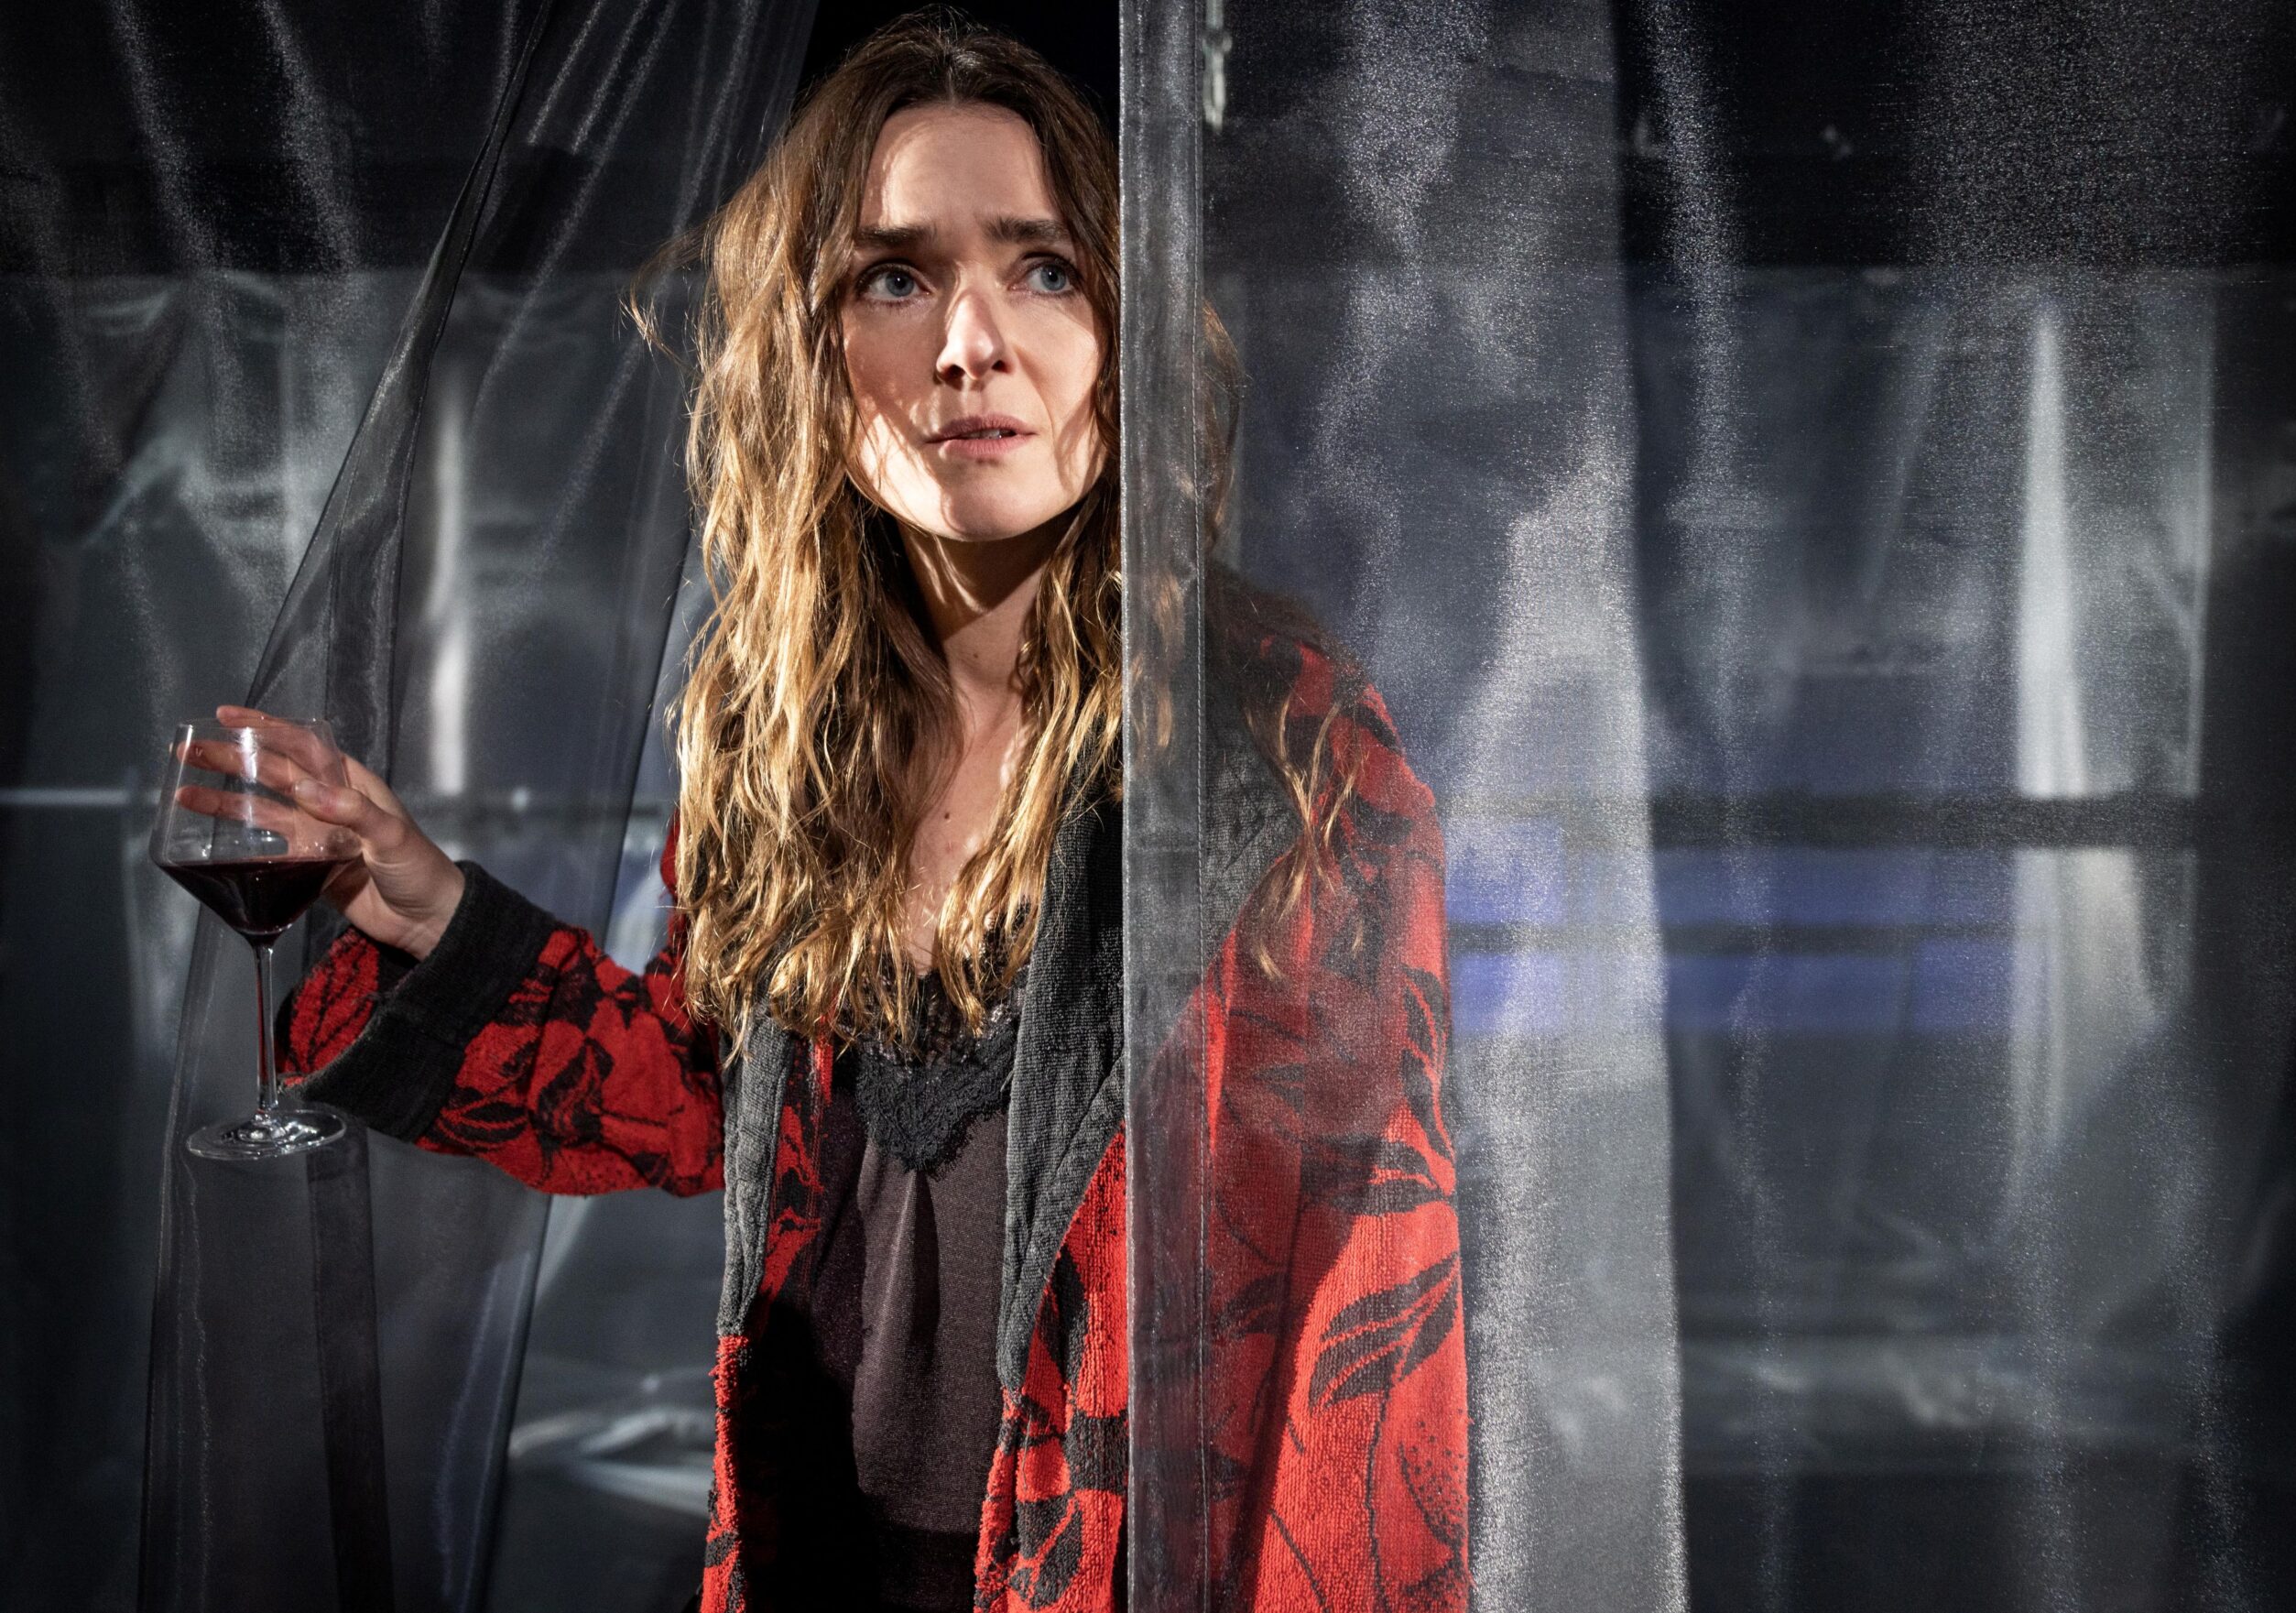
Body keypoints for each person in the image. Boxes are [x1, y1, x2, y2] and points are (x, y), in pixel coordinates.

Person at [238, 12, 1466, 1611]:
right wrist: (436, 914)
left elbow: (1367, 1309)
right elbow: (708, 1100)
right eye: (894, 277)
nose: (970, 342)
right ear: (808, 356)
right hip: (811, 1558)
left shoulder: (1279, 748)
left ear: (1125, 331)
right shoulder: (782, 726)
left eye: (1043, 268)